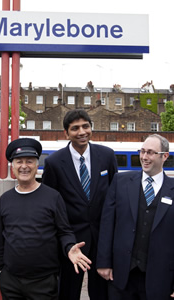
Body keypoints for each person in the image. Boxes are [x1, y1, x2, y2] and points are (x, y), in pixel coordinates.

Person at [0, 138, 92, 300]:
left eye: (29, 161)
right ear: (13, 166)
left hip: (44, 282)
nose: (24, 166)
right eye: (19, 162)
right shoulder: (6, 199)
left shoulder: (52, 197)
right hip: (10, 281)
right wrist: (0, 270)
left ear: (37, 165)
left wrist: (69, 247)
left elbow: (64, 231)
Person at [42, 109, 118, 300]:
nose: (82, 131)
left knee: (102, 293)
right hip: (70, 242)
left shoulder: (107, 156)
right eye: (75, 128)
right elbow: (50, 204)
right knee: (67, 292)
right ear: (66, 133)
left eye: (86, 126)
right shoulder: (54, 162)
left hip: (101, 241)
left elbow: (115, 197)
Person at [97, 134, 174, 300]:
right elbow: (107, 224)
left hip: (160, 277)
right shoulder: (120, 182)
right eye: (142, 151)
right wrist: (104, 262)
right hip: (122, 273)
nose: (144, 157)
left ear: (164, 156)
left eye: (151, 153)